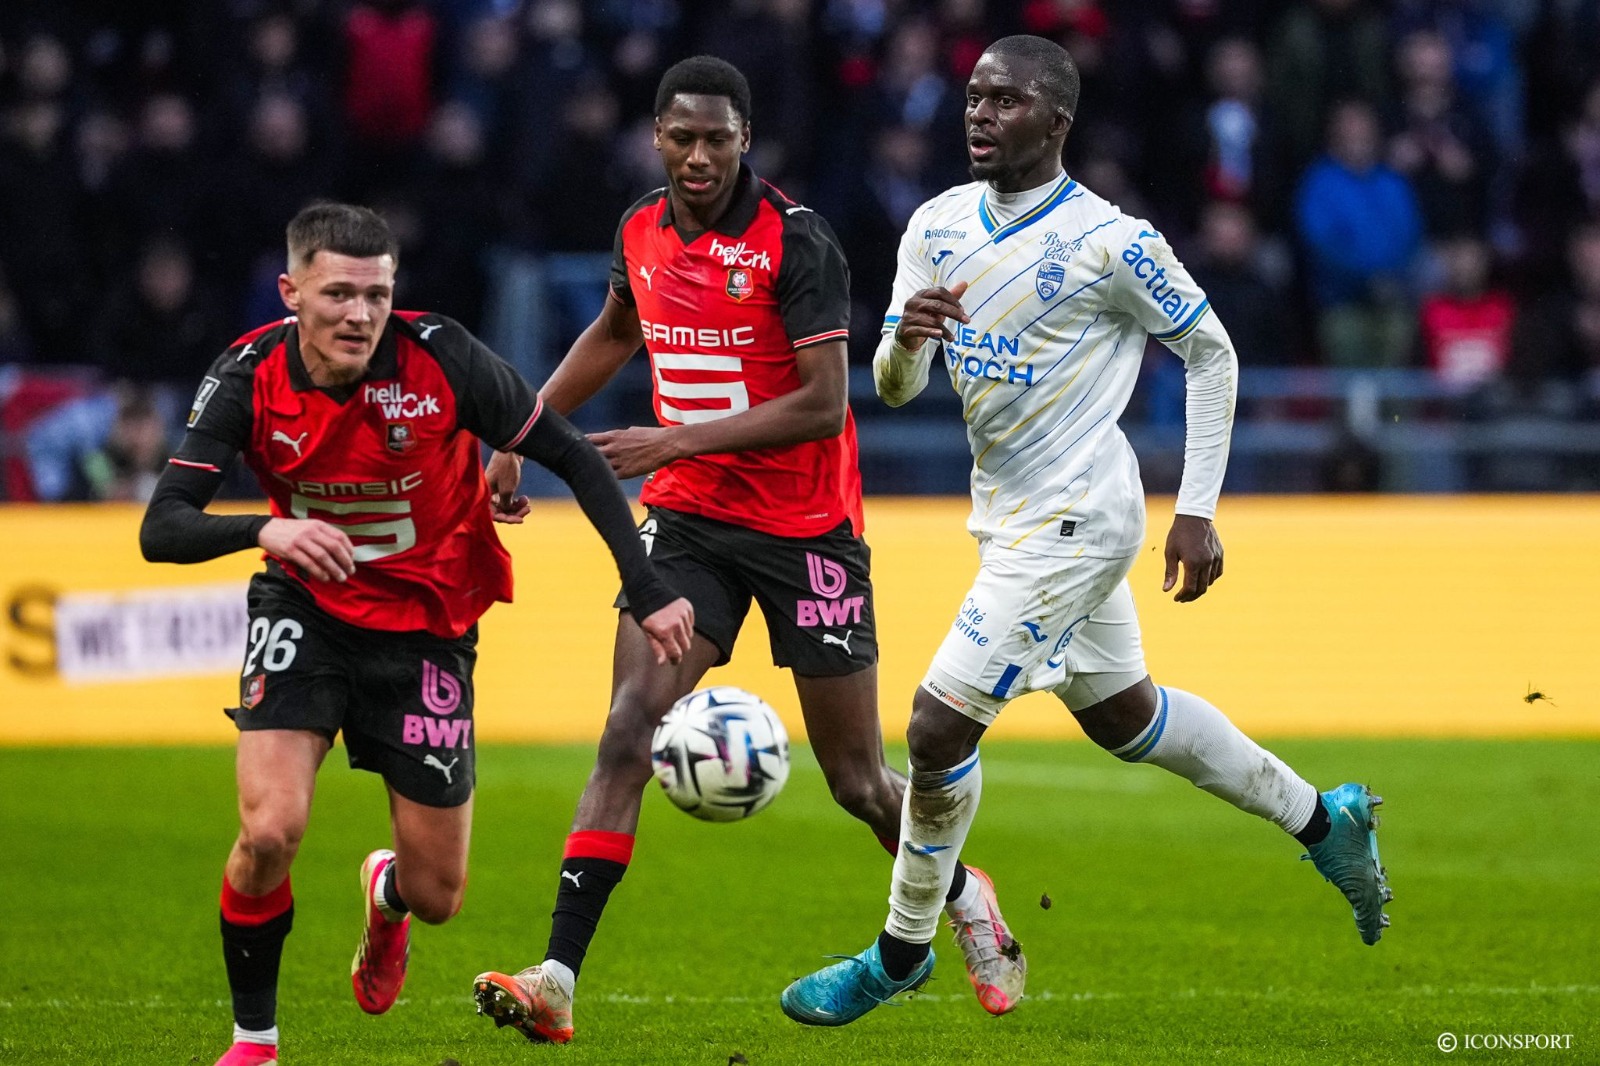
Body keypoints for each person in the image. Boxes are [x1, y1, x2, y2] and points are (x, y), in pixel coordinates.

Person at [780, 35, 1392, 1027]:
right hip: (1012, 513)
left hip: (1080, 514)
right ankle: (1329, 820)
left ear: (1055, 122)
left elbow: (1212, 353)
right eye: (974, 98)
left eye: (1005, 102)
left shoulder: (1112, 242)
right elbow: (891, 392)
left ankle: (900, 952)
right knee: (1126, 719)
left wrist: (1195, 508)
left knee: (935, 727)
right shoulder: (936, 227)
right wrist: (905, 339)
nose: (978, 115)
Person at [471, 56, 1024, 1045]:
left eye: (715, 139)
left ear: (743, 141)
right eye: (680, 138)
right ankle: (556, 975)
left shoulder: (795, 241)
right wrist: (524, 432)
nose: (696, 156)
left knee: (856, 780)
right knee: (628, 725)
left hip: (809, 531)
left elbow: (821, 405)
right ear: (655, 136)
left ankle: (962, 891)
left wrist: (666, 439)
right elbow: (613, 330)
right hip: (687, 526)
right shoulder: (640, 228)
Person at [138, 202, 694, 1066]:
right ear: (291, 293)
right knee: (270, 830)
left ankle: (386, 895)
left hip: (430, 633)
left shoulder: (441, 358)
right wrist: (264, 531)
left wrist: (647, 584)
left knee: (438, 895)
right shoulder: (248, 374)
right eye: (337, 295)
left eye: (376, 294)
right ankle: (255, 1042)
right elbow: (161, 525)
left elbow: (575, 456)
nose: (359, 314)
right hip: (305, 614)